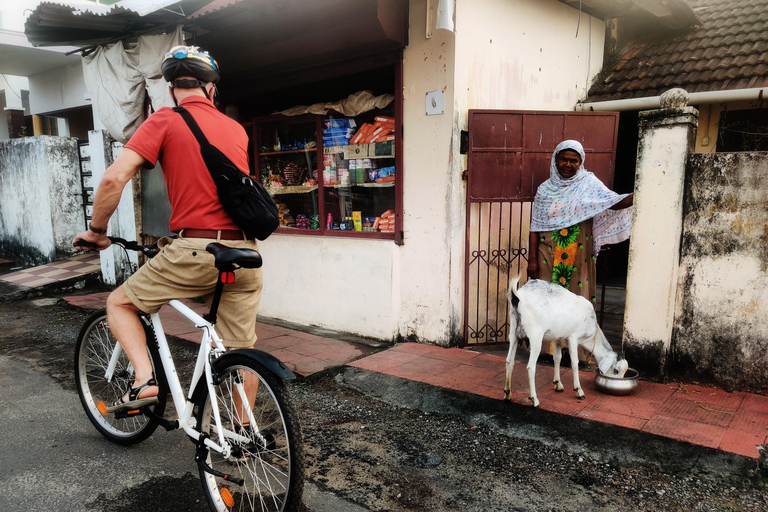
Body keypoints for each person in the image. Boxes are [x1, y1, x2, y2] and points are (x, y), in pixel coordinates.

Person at [73, 45, 262, 414]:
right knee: (241, 350)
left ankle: (144, 381)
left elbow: (114, 179)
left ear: (173, 89)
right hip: (245, 252)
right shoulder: (236, 129)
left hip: (195, 249)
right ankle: (242, 435)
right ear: (211, 89)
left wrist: (97, 231)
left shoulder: (165, 119)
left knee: (120, 302)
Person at [527, 140, 633, 304]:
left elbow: (614, 202)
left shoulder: (588, 183)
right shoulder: (544, 189)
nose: (567, 164)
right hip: (548, 253)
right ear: (555, 160)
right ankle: (551, 330)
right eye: (564, 159)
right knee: (547, 297)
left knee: (577, 299)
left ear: (580, 162)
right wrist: (532, 259)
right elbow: (535, 227)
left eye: (573, 160)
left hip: (579, 253)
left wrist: (644, 189)